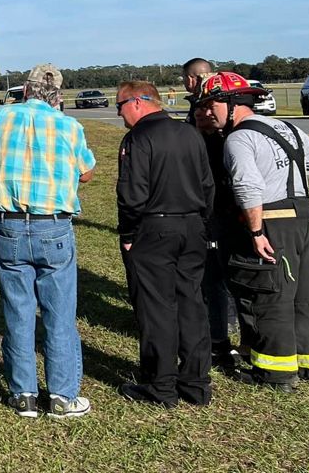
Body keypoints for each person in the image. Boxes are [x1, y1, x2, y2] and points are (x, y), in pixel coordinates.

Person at [193, 72, 309, 391]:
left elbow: (247, 185)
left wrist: (256, 232)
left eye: (211, 104)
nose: (207, 112)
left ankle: (276, 375)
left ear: (232, 103)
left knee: (267, 296)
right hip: (304, 221)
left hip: (270, 221)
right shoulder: (286, 126)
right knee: (306, 296)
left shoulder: (238, 138)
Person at [0, 63, 96, 419]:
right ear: (57, 95)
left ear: (25, 90)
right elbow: (86, 173)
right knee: (59, 316)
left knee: (18, 312)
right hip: (53, 226)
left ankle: (23, 394)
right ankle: (62, 397)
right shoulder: (70, 126)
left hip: (10, 225)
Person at [115, 81, 215, 407]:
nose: (120, 114)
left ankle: (161, 385)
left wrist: (128, 236)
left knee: (156, 309)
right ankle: (196, 383)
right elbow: (207, 184)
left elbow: (132, 196)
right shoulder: (190, 133)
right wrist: (203, 224)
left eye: (120, 106)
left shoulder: (138, 138)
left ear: (138, 103)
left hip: (154, 228)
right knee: (192, 304)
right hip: (192, 225)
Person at [182, 57, 242, 371]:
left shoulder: (232, 127)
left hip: (225, 205)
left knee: (223, 275)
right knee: (215, 275)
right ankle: (220, 336)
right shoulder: (204, 118)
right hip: (217, 204)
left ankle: (226, 336)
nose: (206, 114)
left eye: (211, 108)